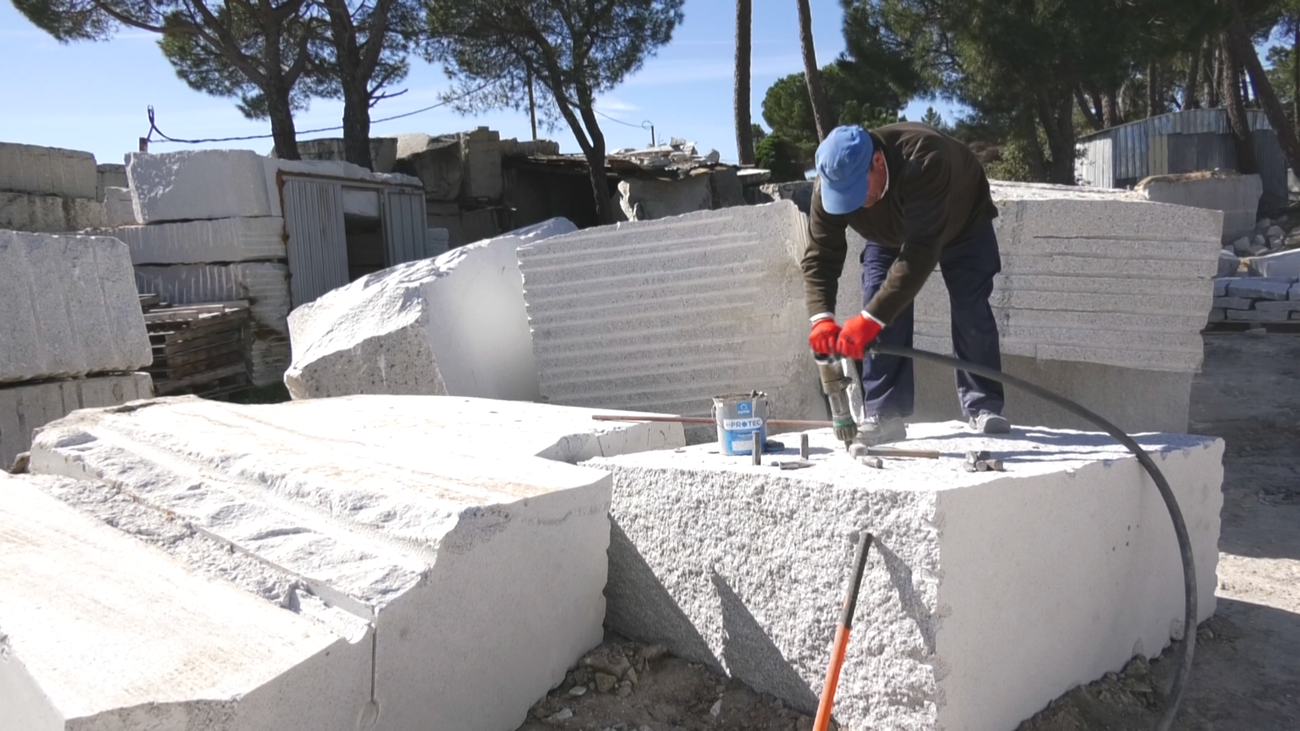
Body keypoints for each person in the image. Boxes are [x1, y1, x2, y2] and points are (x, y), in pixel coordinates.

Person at [801, 122, 1011, 445]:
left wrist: (869, 321)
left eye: (857, 194)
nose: (851, 206)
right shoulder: (831, 181)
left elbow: (919, 255)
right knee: (878, 300)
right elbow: (820, 255)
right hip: (887, 233)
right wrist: (821, 319)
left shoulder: (926, 160)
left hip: (962, 217)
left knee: (971, 306)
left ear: (878, 163)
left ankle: (983, 406)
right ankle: (885, 413)